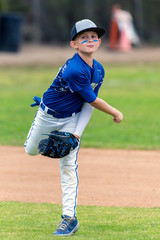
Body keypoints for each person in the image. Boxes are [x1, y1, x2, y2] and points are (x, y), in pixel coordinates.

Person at [24, 19, 123, 237]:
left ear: (99, 42)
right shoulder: (75, 70)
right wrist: (116, 112)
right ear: (74, 45)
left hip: (72, 118)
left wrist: (76, 135)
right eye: (83, 37)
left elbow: (88, 103)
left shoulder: (98, 70)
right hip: (47, 117)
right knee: (30, 150)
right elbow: (95, 101)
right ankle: (45, 140)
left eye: (94, 37)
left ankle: (69, 218)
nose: (90, 40)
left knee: (68, 166)